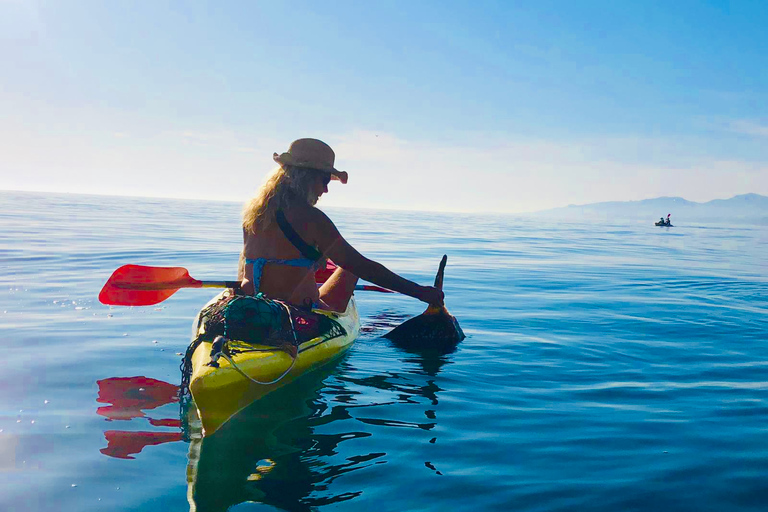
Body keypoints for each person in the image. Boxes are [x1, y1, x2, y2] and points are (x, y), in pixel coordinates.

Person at [237, 138, 444, 313]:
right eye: (325, 180)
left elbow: (245, 264)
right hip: (296, 314)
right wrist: (420, 292)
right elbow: (362, 266)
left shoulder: (254, 214)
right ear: (306, 178)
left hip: (250, 308)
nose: (326, 190)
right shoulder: (313, 219)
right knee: (350, 269)